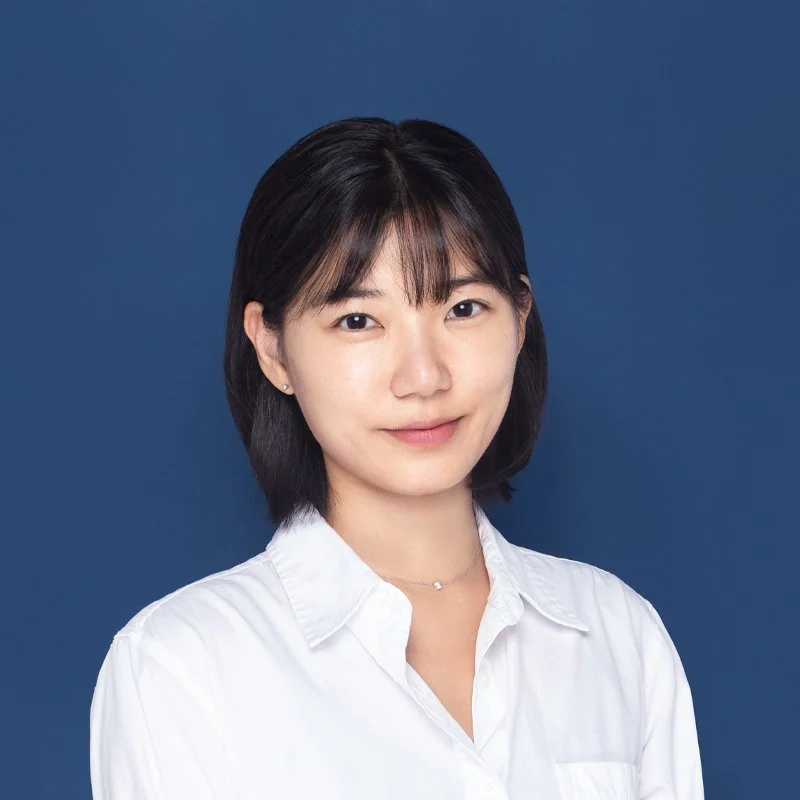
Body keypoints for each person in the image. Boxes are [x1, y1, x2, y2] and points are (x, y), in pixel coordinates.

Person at [89, 117, 705, 799]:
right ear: (272, 349)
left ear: (521, 317)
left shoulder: (617, 637)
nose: (423, 377)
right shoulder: (181, 668)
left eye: (464, 308)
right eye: (359, 321)